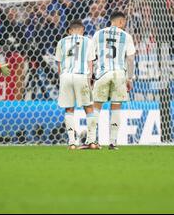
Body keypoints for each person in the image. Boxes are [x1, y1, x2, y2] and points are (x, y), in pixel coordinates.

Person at [92, 11, 135, 150]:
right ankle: (113, 142)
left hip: (102, 73)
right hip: (119, 74)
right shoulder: (126, 36)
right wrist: (130, 78)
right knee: (116, 107)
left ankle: (92, 140)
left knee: (96, 107)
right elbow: (130, 59)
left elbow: (91, 57)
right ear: (121, 22)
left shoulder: (98, 34)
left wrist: (91, 77)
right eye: (125, 23)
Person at [55, 20, 98, 150]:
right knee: (89, 108)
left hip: (66, 76)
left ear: (69, 31)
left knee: (69, 109)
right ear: (82, 30)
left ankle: (72, 143)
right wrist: (90, 80)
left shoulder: (61, 42)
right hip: (81, 75)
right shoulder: (88, 41)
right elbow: (90, 63)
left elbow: (59, 65)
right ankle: (91, 141)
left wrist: (62, 79)